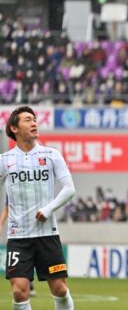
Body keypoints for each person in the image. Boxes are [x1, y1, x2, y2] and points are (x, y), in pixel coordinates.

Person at [1, 106, 76, 310]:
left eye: (35, 119)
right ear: (14, 128)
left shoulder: (51, 155)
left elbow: (70, 189)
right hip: (18, 236)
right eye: (27, 120)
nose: (34, 122)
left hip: (47, 234)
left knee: (60, 289)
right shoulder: (5, 160)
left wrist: (48, 209)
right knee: (19, 290)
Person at [0, 203, 37, 298]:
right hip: (17, 233)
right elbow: (8, 206)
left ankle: (30, 286)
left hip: (35, 231)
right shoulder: (11, 189)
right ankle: (27, 286)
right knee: (20, 265)